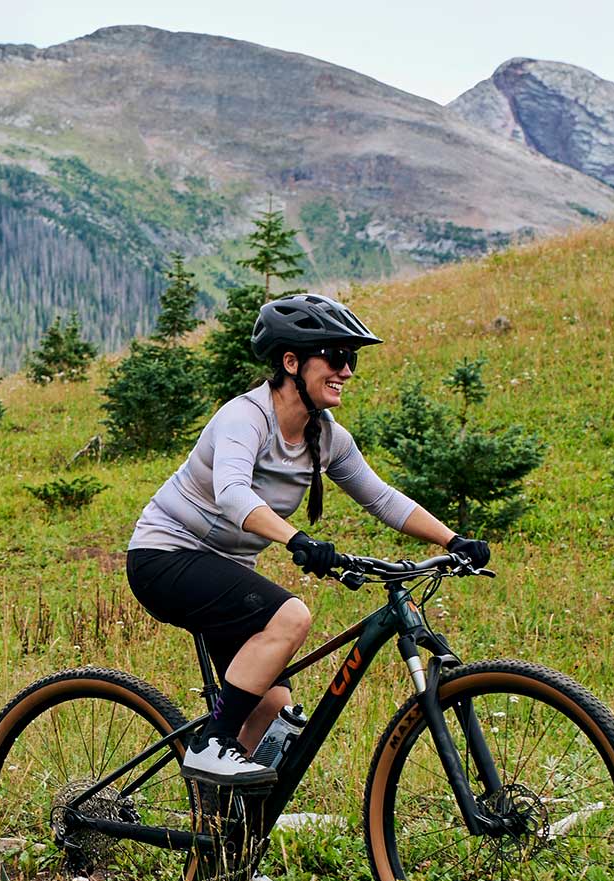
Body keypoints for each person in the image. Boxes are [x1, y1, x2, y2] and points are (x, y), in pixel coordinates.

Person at [126, 294, 491, 792]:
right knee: (292, 615)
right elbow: (232, 493)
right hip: (166, 557)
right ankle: (212, 746)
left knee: (273, 714)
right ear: (291, 362)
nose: (346, 369)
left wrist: (454, 539)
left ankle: (223, 849)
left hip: (226, 568)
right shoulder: (245, 418)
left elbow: (381, 498)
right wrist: (296, 538)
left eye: (351, 358)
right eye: (335, 356)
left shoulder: (326, 436)